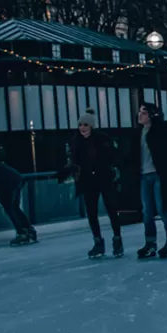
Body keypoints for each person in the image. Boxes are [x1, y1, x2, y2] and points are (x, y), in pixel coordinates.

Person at [62, 108, 123, 259]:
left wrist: (112, 168)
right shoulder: (76, 141)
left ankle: (117, 239)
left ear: (91, 126)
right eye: (80, 125)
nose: (82, 128)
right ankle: (98, 242)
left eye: (85, 125)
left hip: (104, 178)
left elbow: (113, 156)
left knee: (111, 208)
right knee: (91, 212)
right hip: (87, 180)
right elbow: (73, 161)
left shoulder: (102, 139)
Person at [134, 102, 167, 259]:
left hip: (158, 174)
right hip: (144, 175)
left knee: (162, 209)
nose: (140, 115)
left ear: (151, 115)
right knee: (146, 212)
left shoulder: (159, 131)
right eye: (140, 112)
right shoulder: (139, 132)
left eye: (144, 112)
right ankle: (150, 243)